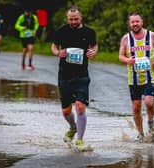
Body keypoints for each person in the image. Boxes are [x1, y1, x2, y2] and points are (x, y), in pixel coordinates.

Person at [51, 6, 98, 148]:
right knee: (66, 111)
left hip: (82, 74)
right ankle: (73, 127)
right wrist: (58, 52)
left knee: (80, 107)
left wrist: (92, 52)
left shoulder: (89, 32)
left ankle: (80, 140)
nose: (73, 21)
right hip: (64, 74)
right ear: (67, 19)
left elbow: (95, 46)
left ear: (81, 18)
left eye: (76, 19)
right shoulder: (61, 31)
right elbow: (53, 47)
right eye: (70, 19)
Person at [119, 12, 154, 142]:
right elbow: (120, 56)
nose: (135, 24)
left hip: (150, 77)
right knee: (136, 107)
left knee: (149, 102)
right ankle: (141, 134)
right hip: (134, 79)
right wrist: (127, 60)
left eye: (137, 21)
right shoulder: (126, 39)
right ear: (129, 24)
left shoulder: (152, 36)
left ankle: (151, 121)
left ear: (142, 22)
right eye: (132, 22)